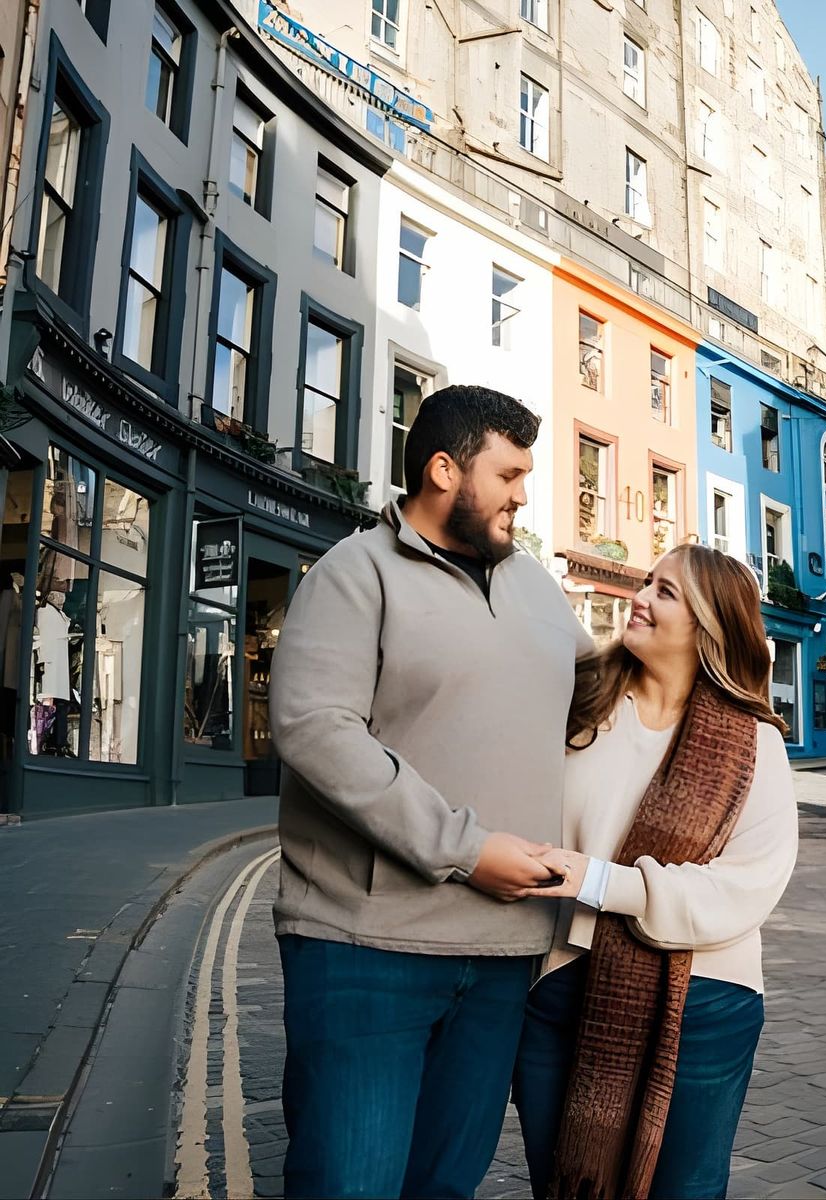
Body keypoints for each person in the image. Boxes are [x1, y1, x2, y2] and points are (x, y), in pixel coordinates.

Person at [268, 386, 594, 1199]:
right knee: (350, 1185)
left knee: (446, 1187)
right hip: (365, 947)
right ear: (445, 469)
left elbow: (603, 697)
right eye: (510, 473)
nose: (524, 494)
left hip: (504, 954)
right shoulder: (355, 572)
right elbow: (316, 729)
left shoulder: (535, 585)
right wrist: (465, 849)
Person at [511, 545, 799, 1200]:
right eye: (646, 582)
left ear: (709, 627)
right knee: (565, 1185)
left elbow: (744, 888)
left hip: (706, 998)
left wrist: (602, 882)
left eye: (665, 592)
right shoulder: (584, 708)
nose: (640, 597)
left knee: (685, 1190)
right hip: (562, 983)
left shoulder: (755, 744)